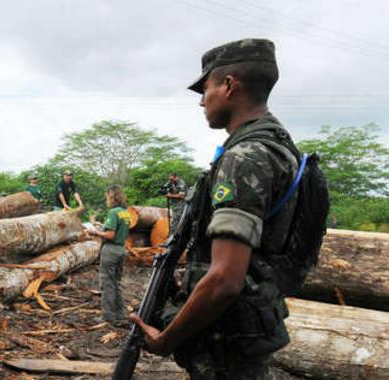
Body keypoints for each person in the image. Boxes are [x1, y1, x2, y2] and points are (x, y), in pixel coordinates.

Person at [129, 39, 300, 379]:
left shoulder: (244, 158)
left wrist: (166, 339)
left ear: (228, 85)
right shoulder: (279, 146)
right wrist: (193, 277)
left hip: (227, 345)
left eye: (205, 89)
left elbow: (225, 279)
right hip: (245, 330)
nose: (202, 102)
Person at [88, 184, 131, 326]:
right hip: (121, 249)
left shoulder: (113, 212)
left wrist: (94, 232)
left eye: (107, 197)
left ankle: (108, 316)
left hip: (111, 250)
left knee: (107, 283)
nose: (106, 200)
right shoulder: (125, 212)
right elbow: (116, 231)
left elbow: (110, 234)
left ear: (112, 196)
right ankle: (120, 314)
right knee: (116, 282)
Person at [163, 172, 188, 236]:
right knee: (175, 220)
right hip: (174, 205)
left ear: (176, 177)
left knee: (176, 221)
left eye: (172, 179)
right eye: (169, 179)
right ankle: (173, 237)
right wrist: (164, 191)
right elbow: (165, 187)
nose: (170, 181)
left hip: (181, 205)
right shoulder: (171, 182)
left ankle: (171, 237)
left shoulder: (181, 183)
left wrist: (170, 195)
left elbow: (181, 196)